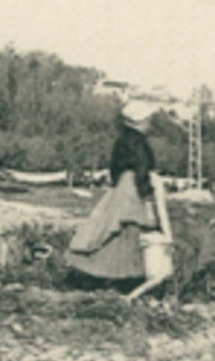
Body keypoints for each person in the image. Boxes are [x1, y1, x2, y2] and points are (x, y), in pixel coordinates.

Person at [66, 100, 170, 293]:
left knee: (110, 229)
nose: (150, 123)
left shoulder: (122, 140)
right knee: (130, 229)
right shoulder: (139, 143)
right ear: (139, 121)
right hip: (133, 189)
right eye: (148, 120)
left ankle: (99, 276)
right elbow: (142, 171)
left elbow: (114, 170)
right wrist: (147, 198)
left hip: (121, 187)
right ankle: (123, 278)